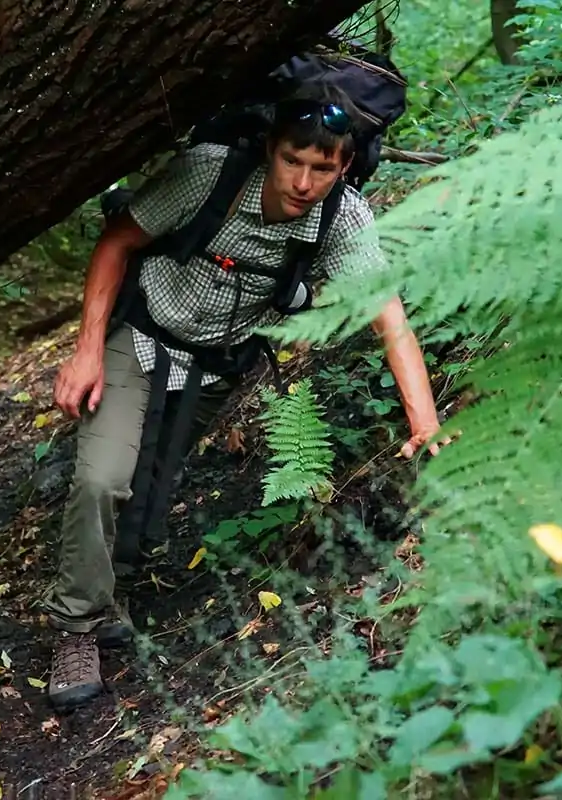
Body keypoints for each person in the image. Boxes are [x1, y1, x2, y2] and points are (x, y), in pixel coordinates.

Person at [39, 82, 450, 711]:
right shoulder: (210, 175)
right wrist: (88, 348)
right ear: (270, 149)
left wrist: (424, 422)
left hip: (215, 365)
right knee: (103, 479)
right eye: (293, 160)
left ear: (343, 168)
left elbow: (389, 319)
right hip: (143, 333)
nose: (304, 181)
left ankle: (108, 595)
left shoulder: (343, 219)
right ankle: (74, 630)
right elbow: (117, 241)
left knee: (147, 491)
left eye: (323, 167)